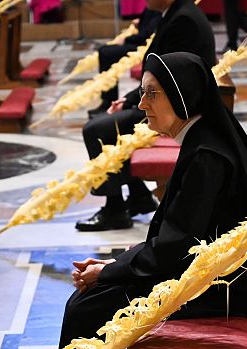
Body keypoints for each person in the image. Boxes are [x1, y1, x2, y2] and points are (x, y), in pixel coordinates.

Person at [48, 51, 247, 349]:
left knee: (90, 307)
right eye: (143, 92)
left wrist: (108, 271)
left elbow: (172, 249)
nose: (143, 103)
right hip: (206, 274)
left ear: (182, 98)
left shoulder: (207, 154)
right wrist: (116, 264)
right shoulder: (202, 139)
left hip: (219, 290)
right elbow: (174, 242)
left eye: (151, 94)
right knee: (96, 301)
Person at [76, 0, 216, 232]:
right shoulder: (177, 12)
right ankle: (139, 196)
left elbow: (167, 76)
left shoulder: (183, 19)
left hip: (178, 110)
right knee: (107, 127)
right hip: (167, 101)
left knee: (97, 130)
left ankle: (115, 210)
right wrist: (129, 100)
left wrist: (133, 102)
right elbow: (159, 72)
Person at [87, 7, 161, 118]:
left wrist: (127, 39)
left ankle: (108, 101)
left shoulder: (160, 8)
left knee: (107, 54)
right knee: (104, 51)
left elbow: (148, 35)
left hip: (144, 46)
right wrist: (139, 23)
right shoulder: (154, 6)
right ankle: (107, 99)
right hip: (140, 41)